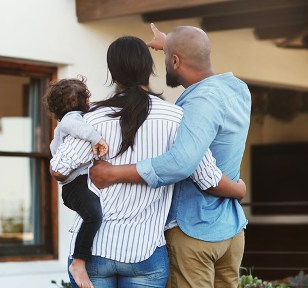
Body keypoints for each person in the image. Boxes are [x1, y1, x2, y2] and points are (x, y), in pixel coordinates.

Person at [50, 35, 245, 288]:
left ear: (112, 73)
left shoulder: (92, 119)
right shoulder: (176, 117)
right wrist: (239, 187)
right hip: (146, 252)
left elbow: (60, 169)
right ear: (150, 69)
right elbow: (206, 177)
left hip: (94, 250)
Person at [45, 77, 109, 288]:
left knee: (92, 215)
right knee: (93, 215)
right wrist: (96, 138)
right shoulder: (72, 119)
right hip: (74, 186)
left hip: (76, 184)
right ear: (84, 100)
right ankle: (78, 261)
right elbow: (77, 126)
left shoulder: (69, 121)